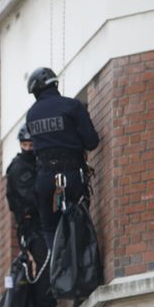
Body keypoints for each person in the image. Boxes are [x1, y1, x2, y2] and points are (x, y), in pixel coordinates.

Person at [26, 67, 100, 249]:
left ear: (36, 91)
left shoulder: (31, 115)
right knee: (81, 219)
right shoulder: (72, 106)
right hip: (72, 174)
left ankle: (56, 268)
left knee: (49, 227)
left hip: (45, 179)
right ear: (55, 85)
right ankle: (84, 264)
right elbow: (92, 142)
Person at [6, 124, 57, 307]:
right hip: (31, 227)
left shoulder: (38, 162)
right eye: (25, 145)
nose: (28, 148)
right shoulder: (18, 168)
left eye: (31, 144)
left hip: (42, 222)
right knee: (42, 264)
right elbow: (29, 199)